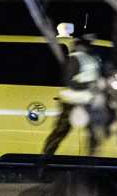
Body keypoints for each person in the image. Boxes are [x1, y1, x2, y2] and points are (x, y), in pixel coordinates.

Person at [39, 36, 109, 170]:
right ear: (81, 45)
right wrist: (89, 84)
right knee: (60, 133)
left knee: (93, 136)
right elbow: (68, 81)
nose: (90, 46)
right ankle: (42, 165)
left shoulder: (92, 59)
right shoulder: (75, 58)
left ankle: (90, 169)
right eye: (88, 44)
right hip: (71, 103)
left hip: (88, 103)